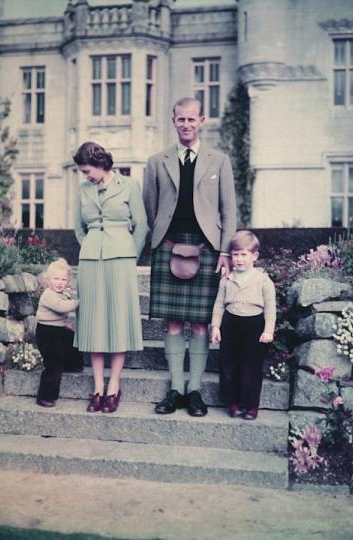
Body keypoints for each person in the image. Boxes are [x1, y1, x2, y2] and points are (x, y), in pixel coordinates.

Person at [143, 96, 237, 416]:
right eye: (180, 119)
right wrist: (158, 241)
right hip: (169, 245)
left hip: (206, 248)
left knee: (199, 324)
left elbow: (229, 209)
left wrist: (225, 250)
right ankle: (174, 389)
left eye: (191, 119)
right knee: (172, 323)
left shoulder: (219, 160)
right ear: (174, 121)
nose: (186, 124)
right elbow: (150, 206)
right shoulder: (157, 161)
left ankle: (194, 390)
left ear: (202, 121)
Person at [72, 141, 148, 413]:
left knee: (117, 320)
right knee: (93, 321)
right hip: (91, 261)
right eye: (82, 171)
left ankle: (114, 385)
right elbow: (78, 228)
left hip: (121, 260)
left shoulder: (129, 186)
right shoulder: (83, 190)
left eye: (87, 170)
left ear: (102, 164)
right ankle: (97, 387)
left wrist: (130, 256)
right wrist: (92, 246)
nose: (85, 175)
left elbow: (141, 226)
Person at [209, 230, 276, 420]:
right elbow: (219, 304)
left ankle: (251, 405)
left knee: (251, 366)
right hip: (231, 324)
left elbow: (270, 307)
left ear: (255, 256)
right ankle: (234, 402)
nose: (239, 259)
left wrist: (268, 330)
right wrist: (215, 327)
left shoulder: (263, 280)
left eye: (243, 254)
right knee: (229, 365)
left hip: (254, 325)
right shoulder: (227, 280)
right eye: (235, 254)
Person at [33, 258, 83, 408]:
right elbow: (61, 307)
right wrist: (78, 302)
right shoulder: (48, 295)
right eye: (56, 279)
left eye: (63, 279)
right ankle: (45, 395)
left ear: (68, 281)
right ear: (48, 280)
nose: (59, 282)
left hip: (58, 329)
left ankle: (72, 364)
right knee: (53, 363)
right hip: (47, 332)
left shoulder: (61, 292)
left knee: (72, 340)